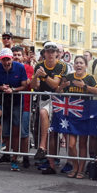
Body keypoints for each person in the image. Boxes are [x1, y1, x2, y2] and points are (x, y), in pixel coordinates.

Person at [0, 48, 30, 171]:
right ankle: (2, 141)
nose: (6, 62)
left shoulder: (19, 67)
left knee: (16, 133)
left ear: (12, 58)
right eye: (4, 60)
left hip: (16, 102)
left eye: (8, 59)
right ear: (0, 60)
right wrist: (2, 87)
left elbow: (24, 85)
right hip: (1, 99)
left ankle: (14, 160)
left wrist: (13, 90)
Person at [59, 55, 97, 179]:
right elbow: (59, 91)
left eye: (81, 63)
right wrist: (62, 86)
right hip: (71, 114)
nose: (78, 65)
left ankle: (81, 170)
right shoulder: (69, 77)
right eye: (76, 63)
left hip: (84, 114)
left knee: (83, 144)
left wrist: (84, 86)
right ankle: (75, 166)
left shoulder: (90, 78)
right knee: (71, 144)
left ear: (85, 66)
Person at [32, 42, 69, 174]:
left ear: (57, 53)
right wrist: (36, 76)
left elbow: (55, 85)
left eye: (53, 51)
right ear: (44, 53)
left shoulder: (62, 65)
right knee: (49, 132)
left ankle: (44, 149)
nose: (51, 54)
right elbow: (34, 86)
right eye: (48, 51)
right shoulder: (39, 65)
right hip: (44, 99)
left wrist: (44, 76)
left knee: (53, 132)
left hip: (58, 100)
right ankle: (50, 162)